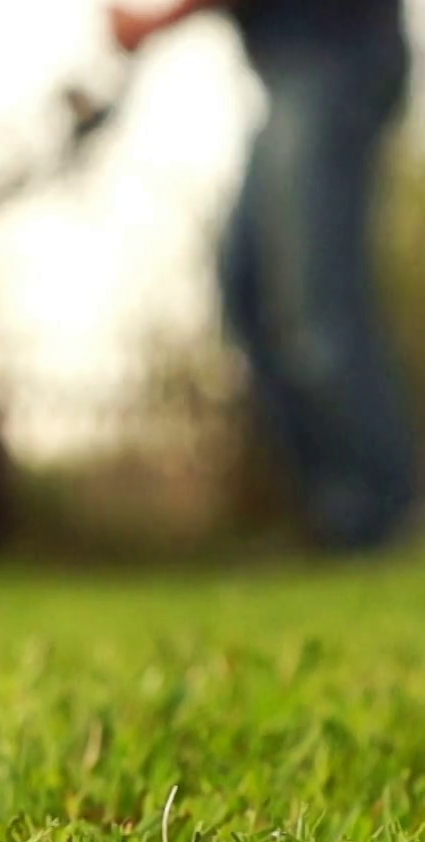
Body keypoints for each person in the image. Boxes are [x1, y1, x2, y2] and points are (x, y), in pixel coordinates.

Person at [110, 0, 418, 554]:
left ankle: (390, 521)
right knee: (247, 289)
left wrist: (153, 23)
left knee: (318, 310)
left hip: (336, 57)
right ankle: (337, 523)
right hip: (287, 76)